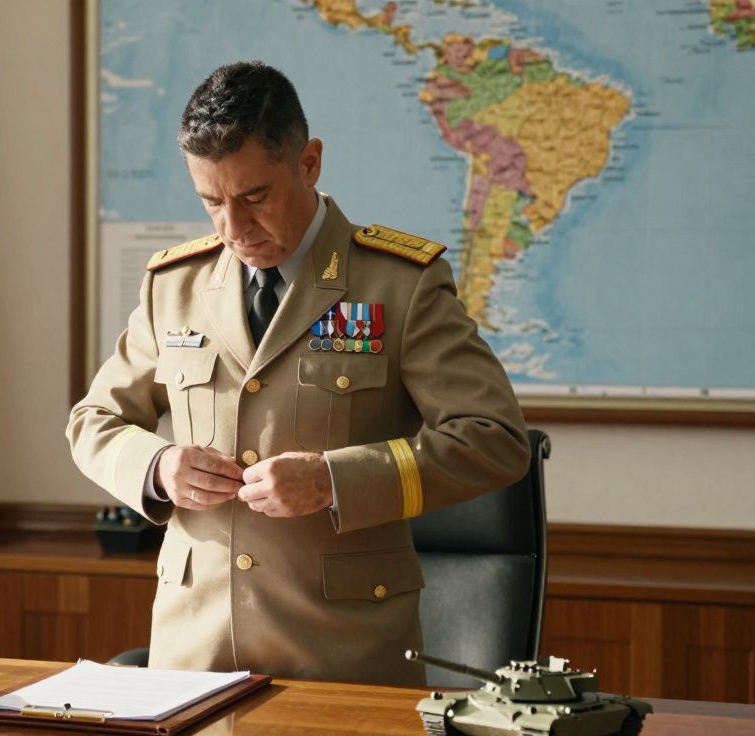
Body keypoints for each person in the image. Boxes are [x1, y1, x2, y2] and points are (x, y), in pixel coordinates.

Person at [67, 61, 529, 685]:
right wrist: (158, 466)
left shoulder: (400, 283)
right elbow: (93, 421)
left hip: (343, 660)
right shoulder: (174, 285)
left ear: (309, 163)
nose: (233, 228)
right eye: (212, 202)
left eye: (254, 198)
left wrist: (335, 480)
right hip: (192, 661)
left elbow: (495, 439)